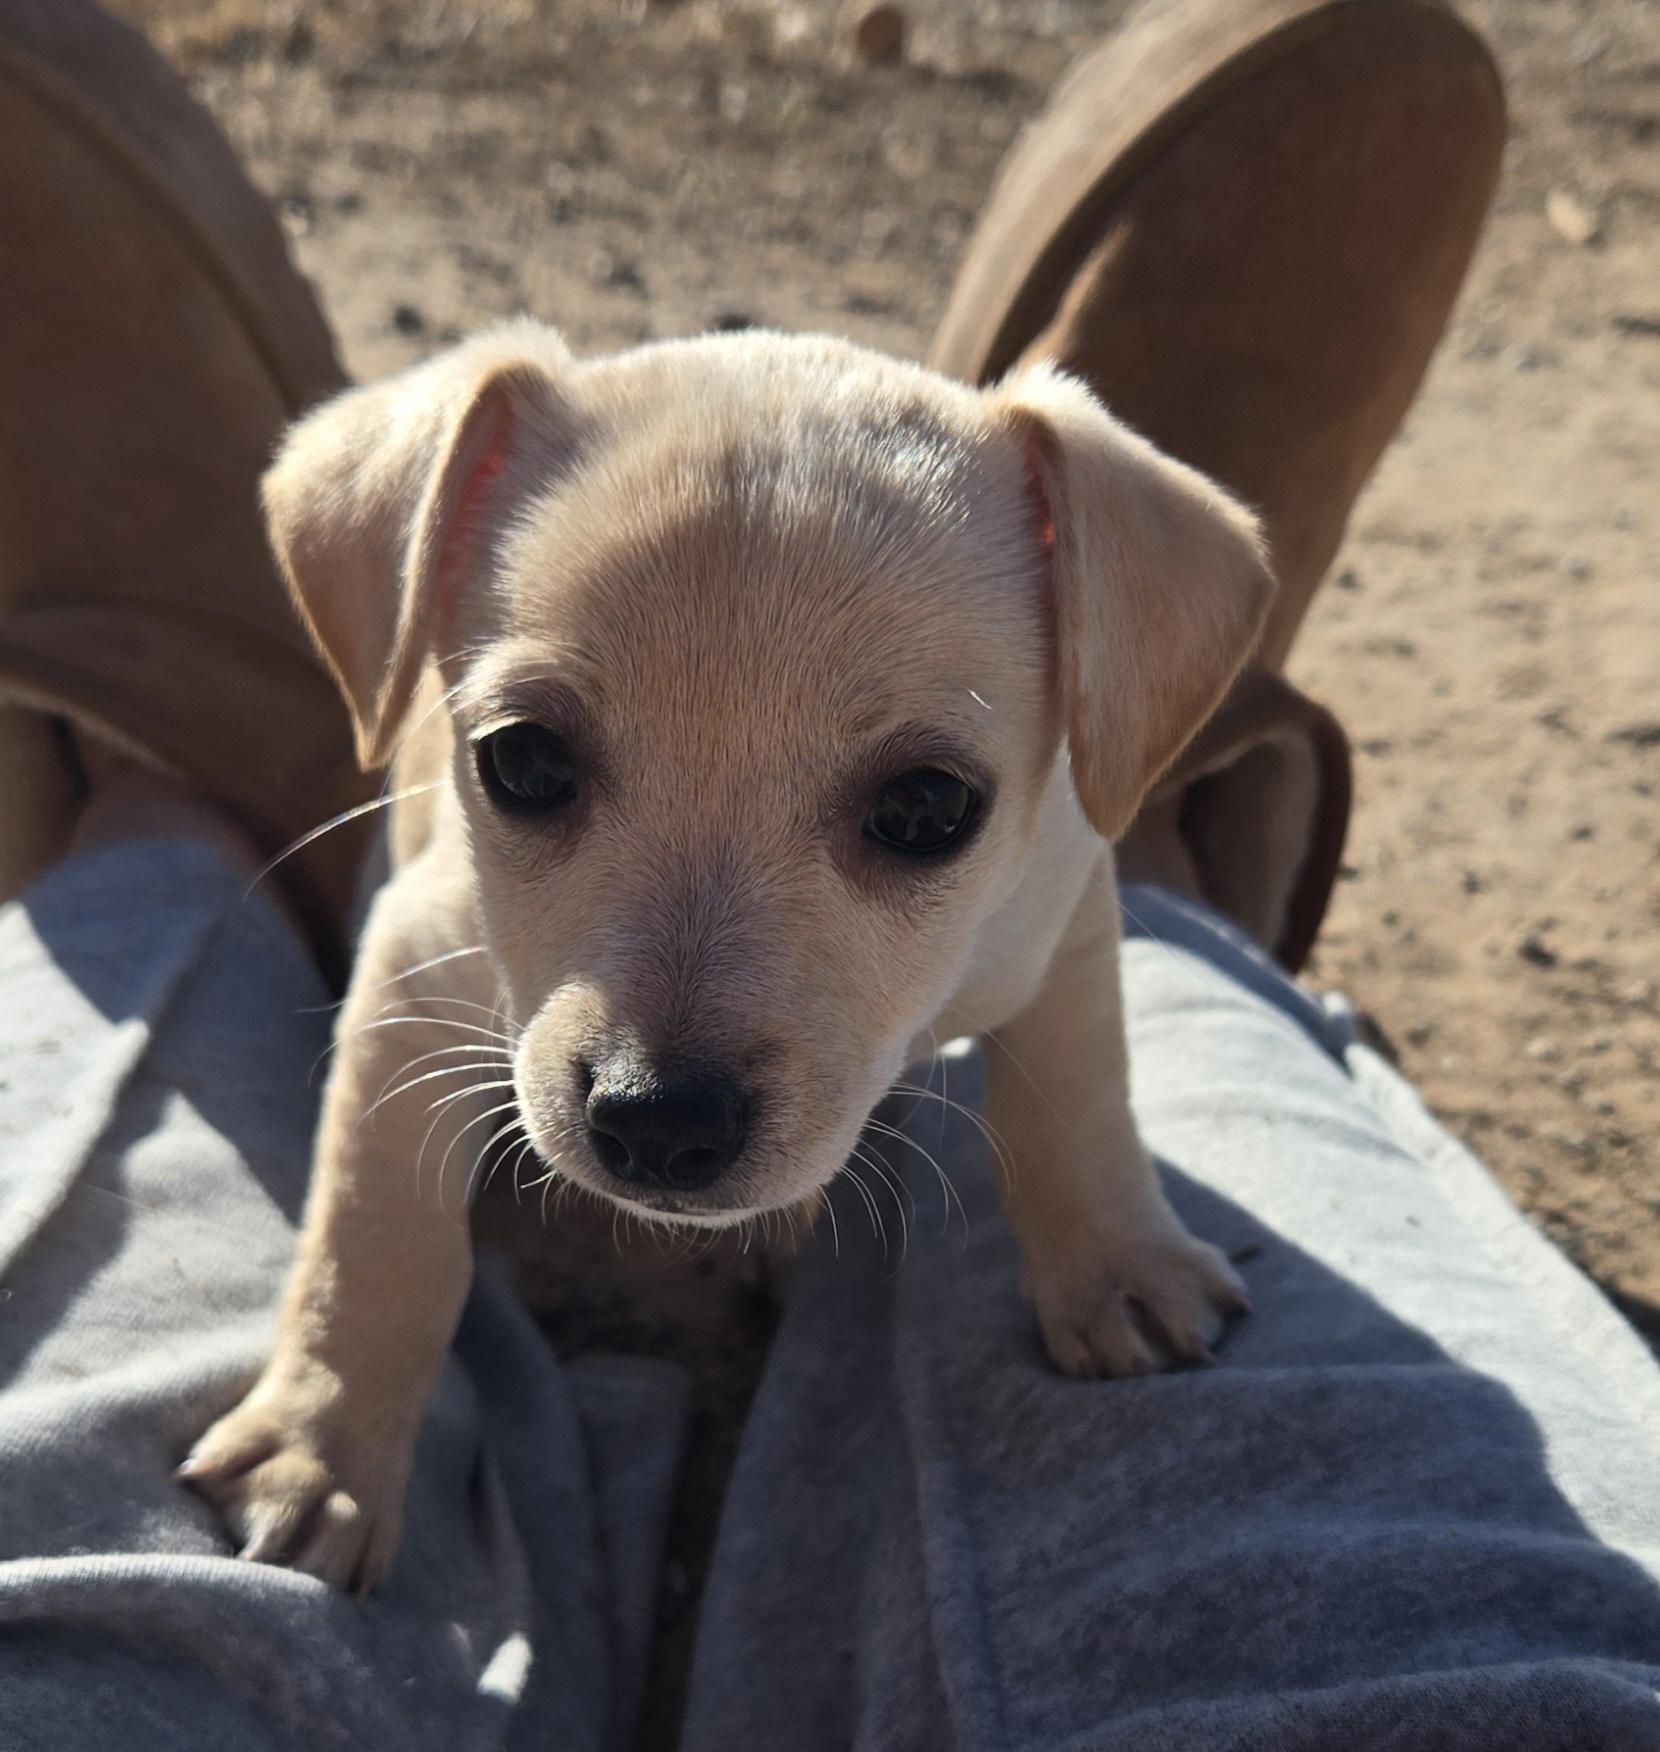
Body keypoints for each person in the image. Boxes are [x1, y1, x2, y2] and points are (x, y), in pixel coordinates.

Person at [2, 1, 1657, 1747]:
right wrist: (346, 1382)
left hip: (1078, 690)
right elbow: (424, 999)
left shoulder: (1044, 800)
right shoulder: (480, 566)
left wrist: (1093, 1223)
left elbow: (1049, 951)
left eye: (913, 810)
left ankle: (169, 830)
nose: (665, 1052)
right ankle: (1169, 877)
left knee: (99, 1121)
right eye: (535, 766)